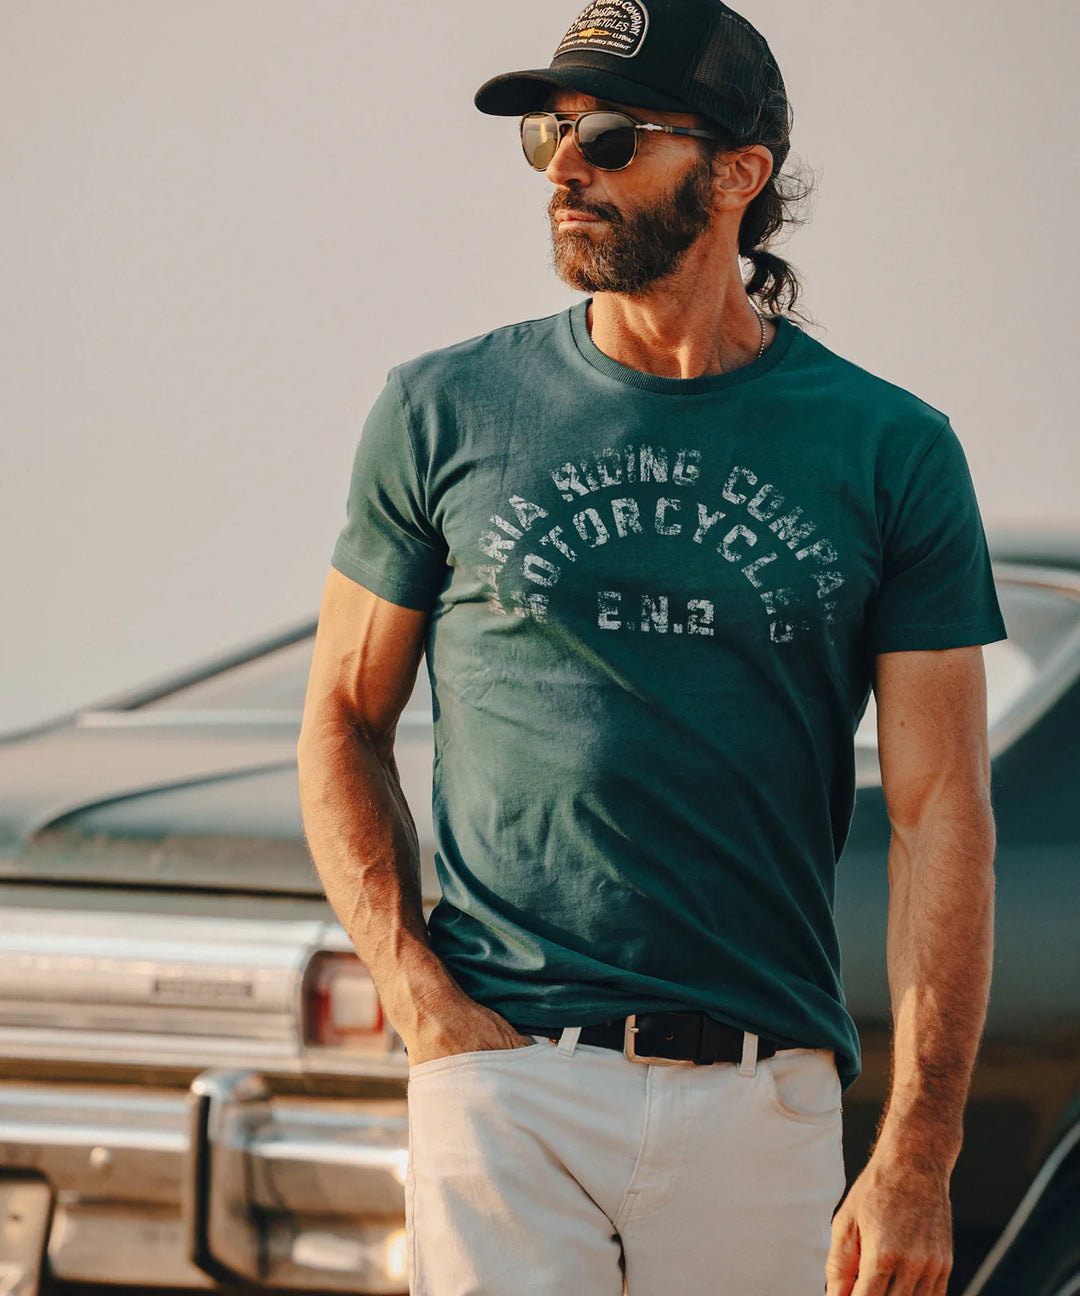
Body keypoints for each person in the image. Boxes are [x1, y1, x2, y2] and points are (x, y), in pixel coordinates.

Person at [297, 0, 1007, 1291]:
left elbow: (945, 805)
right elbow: (343, 717)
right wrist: (418, 998)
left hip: (764, 1095)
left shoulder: (890, 453)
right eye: (554, 137)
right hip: (506, 1084)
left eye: (614, 138)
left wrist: (920, 1147)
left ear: (740, 175)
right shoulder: (442, 411)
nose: (566, 166)